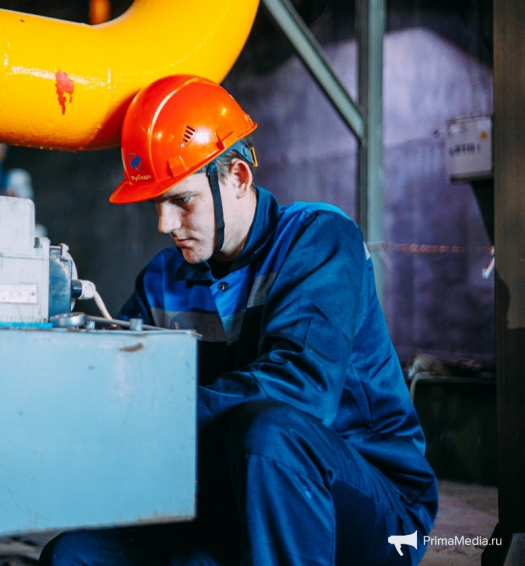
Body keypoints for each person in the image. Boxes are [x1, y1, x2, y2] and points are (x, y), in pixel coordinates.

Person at [40, 75, 438, 566]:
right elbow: (122, 385)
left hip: (368, 506)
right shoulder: (164, 277)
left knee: (269, 433)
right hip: (237, 498)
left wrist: (157, 415)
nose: (164, 224)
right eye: (156, 204)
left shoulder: (318, 240)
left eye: (181, 200)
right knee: (72, 557)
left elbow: (302, 389)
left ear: (238, 177)